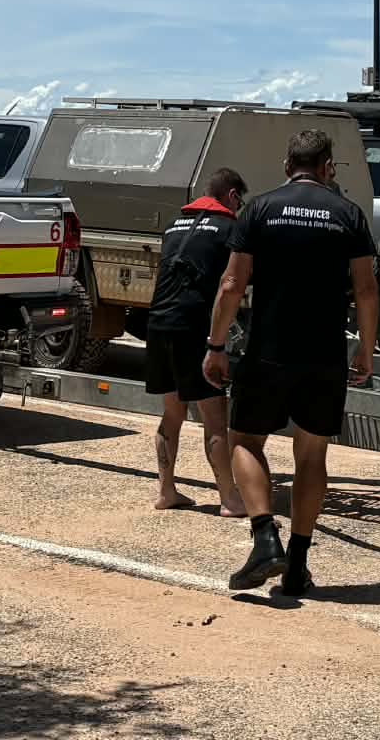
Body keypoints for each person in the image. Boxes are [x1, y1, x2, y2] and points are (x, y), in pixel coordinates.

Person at [202, 128, 379, 595]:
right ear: (328, 168)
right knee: (312, 455)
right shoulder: (349, 214)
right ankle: (298, 563)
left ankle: (265, 538)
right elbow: (366, 289)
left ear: (287, 166)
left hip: (269, 350)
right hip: (324, 354)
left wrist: (216, 345)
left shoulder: (259, 209)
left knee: (245, 441)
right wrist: (366, 346)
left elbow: (231, 285)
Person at [144, 167, 250, 515]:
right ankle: (229, 499)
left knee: (171, 413)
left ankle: (165, 491)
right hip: (193, 328)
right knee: (214, 417)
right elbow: (235, 281)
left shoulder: (175, 225)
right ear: (232, 196)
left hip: (159, 322)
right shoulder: (229, 227)